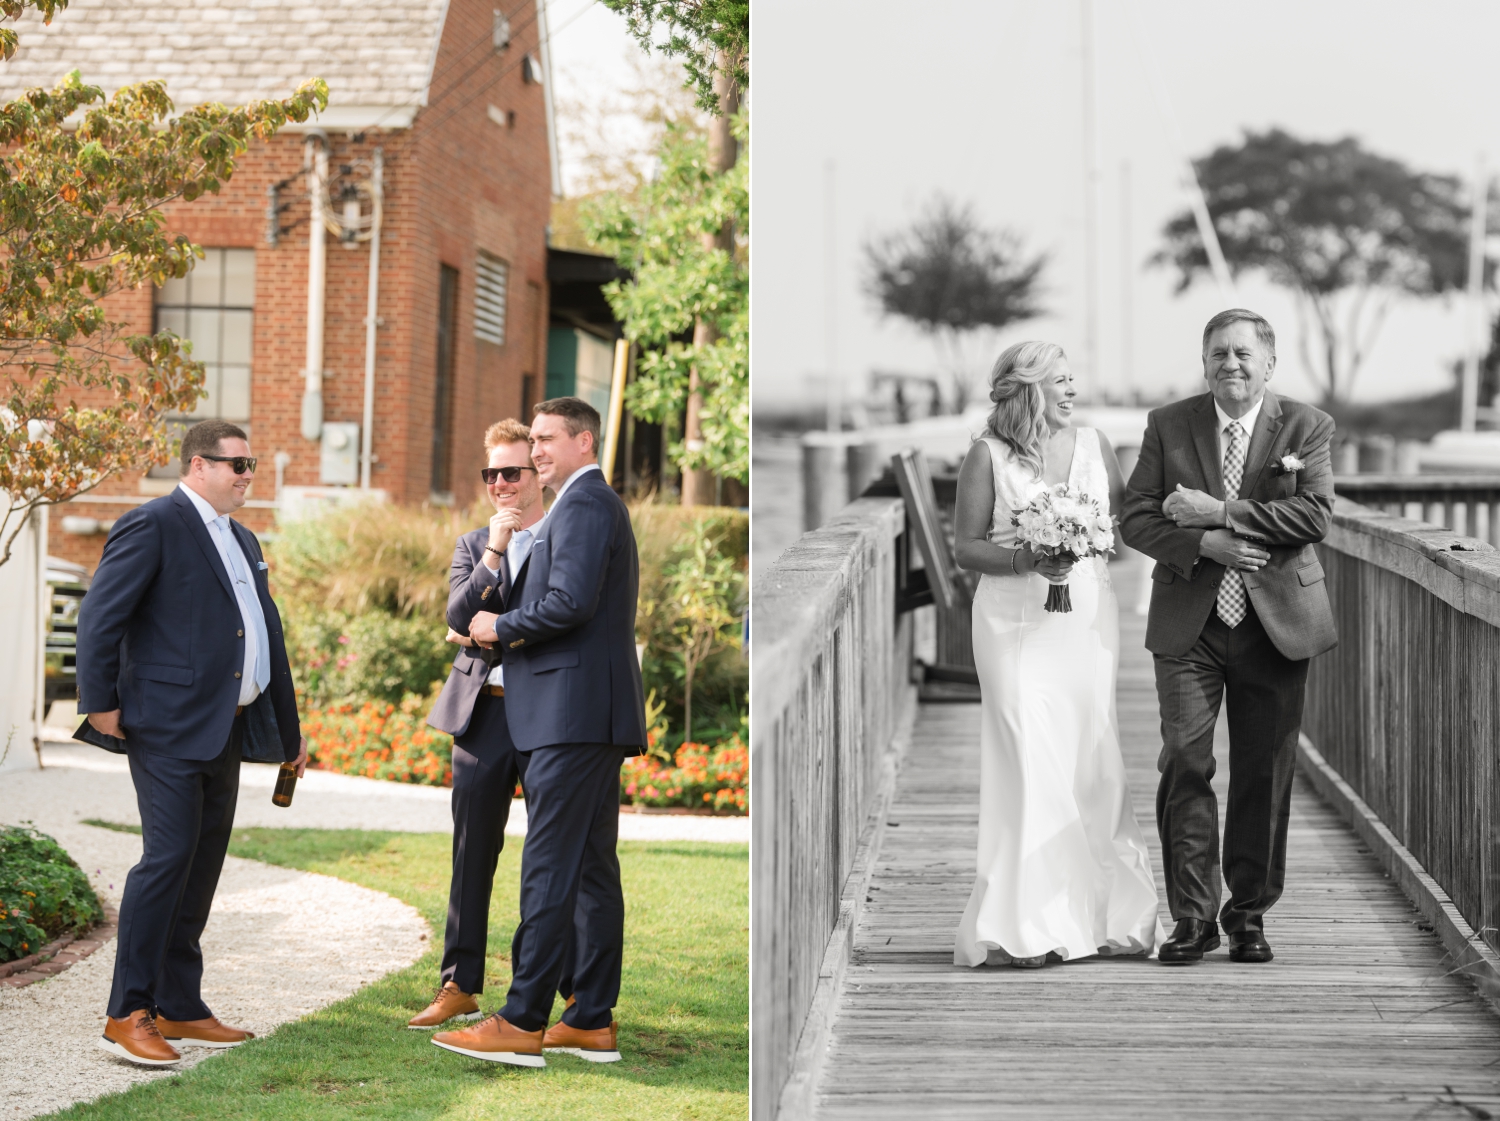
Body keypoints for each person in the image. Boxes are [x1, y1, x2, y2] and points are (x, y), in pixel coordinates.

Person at [75, 419, 306, 1066]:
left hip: (224, 728)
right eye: (235, 463)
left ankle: (179, 1002)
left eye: (251, 463)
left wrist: (290, 733)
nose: (246, 475)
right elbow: (101, 614)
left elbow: (266, 637)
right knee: (167, 859)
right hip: (166, 724)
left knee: (201, 867)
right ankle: (128, 1010)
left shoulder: (243, 538)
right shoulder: (154, 524)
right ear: (197, 465)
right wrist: (101, 703)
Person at [431, 397, 646, 1068]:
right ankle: (589, 1018)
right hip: (584, 712)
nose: (539, 449)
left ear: (584, 441)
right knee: (589, 867)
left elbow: (572, 601)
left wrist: (502, 626)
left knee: (551, 866)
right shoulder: (586, 504)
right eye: (536, 438)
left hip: (569, 714)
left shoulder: (583, 504)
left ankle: (522, 1019)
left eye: (549, 438)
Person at [1121, 308, 1336, 965]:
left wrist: (1222, 512)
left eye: (1244, 353)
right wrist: (1202, 542)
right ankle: (1192, 916)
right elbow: (1134, 516)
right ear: (1204, 361)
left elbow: (1315, 512)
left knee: (1263, 774)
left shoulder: (1307, 426)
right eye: (1218, 353)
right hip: (1192, 624)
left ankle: (1248, 915)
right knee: (1185, 762)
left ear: (1269, 363)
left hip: (1277, 627)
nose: (1230, 364)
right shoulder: (1168, 424)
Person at [952, 341, 1165, 969]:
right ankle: (1029, 925)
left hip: (1087, 625)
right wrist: (1027, 557)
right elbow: (966, 547)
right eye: (1059, 382)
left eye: (1074, 380)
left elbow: (1128, 533)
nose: (1072, 391)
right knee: (1026, 758)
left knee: (1089, 758)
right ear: (1027, 389)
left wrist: (1095, 535)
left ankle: (1105, 915)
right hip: (1012, 623)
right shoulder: (984, 456)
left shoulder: (1097, 445)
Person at [409, 419, 546, 1030]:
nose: (499, 484)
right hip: (482, 712)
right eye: (490, 474)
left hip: (547, 711)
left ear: (538, 472)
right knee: (471, 853)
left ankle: (544, 989)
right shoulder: (474, 544)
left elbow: (527, 620)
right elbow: (459, 612)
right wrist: (494, 548)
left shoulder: (561, 536)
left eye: (511, 472)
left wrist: (486, 626)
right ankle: (458, 984)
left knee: (551, 855)